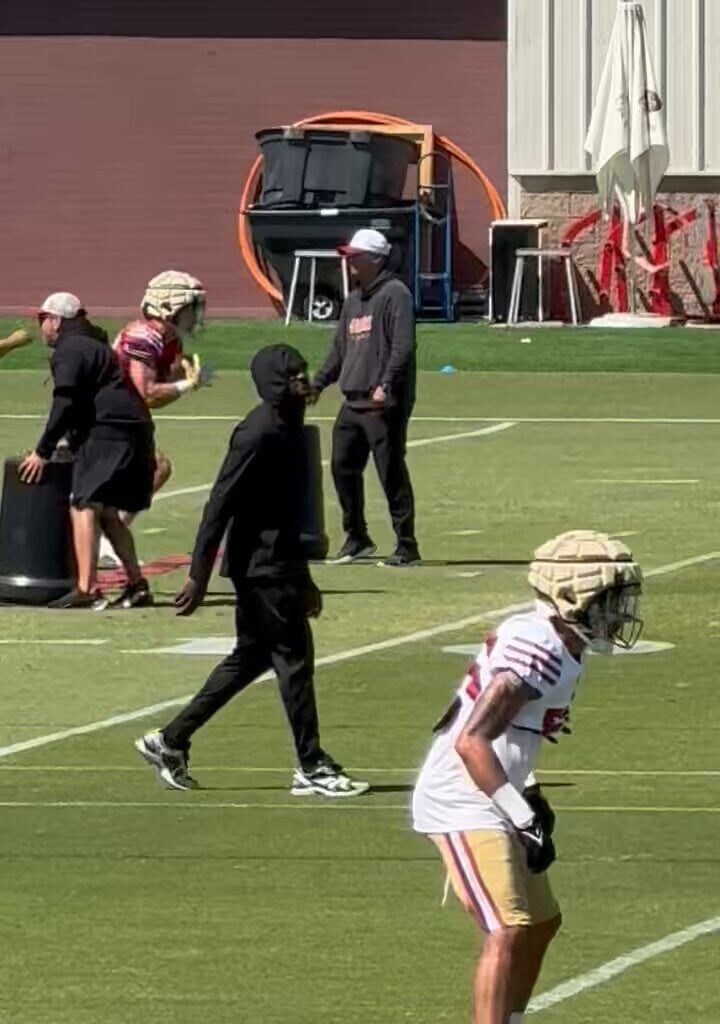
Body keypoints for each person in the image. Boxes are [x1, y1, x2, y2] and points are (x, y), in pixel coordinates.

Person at [412, 531, 643, 1024]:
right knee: (508, 928)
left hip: (497, 791)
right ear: (573, 598)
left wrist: (530, 792)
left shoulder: (560, 643)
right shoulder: (537, 644)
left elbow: (518, 729)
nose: (618, 614)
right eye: (609, 601)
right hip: (462, 797)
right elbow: (472, 740)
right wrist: (522, 817)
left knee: (541, 923)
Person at [135, 343, 369, 797]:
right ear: (276, 384)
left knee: (252, 658)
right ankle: (311, 764)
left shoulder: (291, 426)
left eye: (304, 372)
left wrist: (305, 578)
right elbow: (219, 504)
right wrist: (198, 575)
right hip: (260, 567)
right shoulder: (258, 432)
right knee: (294, 661)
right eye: (295, 375)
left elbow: (287, 515)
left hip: (280, 563)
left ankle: (170, 740)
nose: (305, 381)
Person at [19, 292, 164, 609]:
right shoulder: (94, 346)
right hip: (134, 427)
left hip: (109, 430)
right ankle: (137, 584)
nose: (41, 327)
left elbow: (66, 401)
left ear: (56, 321)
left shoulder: (70, 350)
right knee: (109, 512)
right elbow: (86, 399)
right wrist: (70, 442)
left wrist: (42, 451)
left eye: (42, 320)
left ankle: (87, 587)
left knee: (83, 504)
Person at [311, 228, 420, 567]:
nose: (350, 262)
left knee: (390, 472)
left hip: (382, 401)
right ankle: (356, 537)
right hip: (353, 399)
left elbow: (403, 346)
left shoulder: (395, 294)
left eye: (356, 256)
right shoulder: (354, 300)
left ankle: (407, 545)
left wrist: (386, 383)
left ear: (375, 259)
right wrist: (317, 384)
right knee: (343, 467)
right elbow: (339, 351)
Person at [98, 269, 209, 568]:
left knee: (156, 468)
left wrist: (181, 374)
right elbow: (145, 393)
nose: (197, 314)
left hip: (124, 420)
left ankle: (106, 536)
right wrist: (187, 385)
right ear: (172, 307)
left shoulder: (168, 340)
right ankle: (101, 537)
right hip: (102, 420)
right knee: (150, 468)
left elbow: (156, 389)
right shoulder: (142, 335)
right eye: (191, 307)